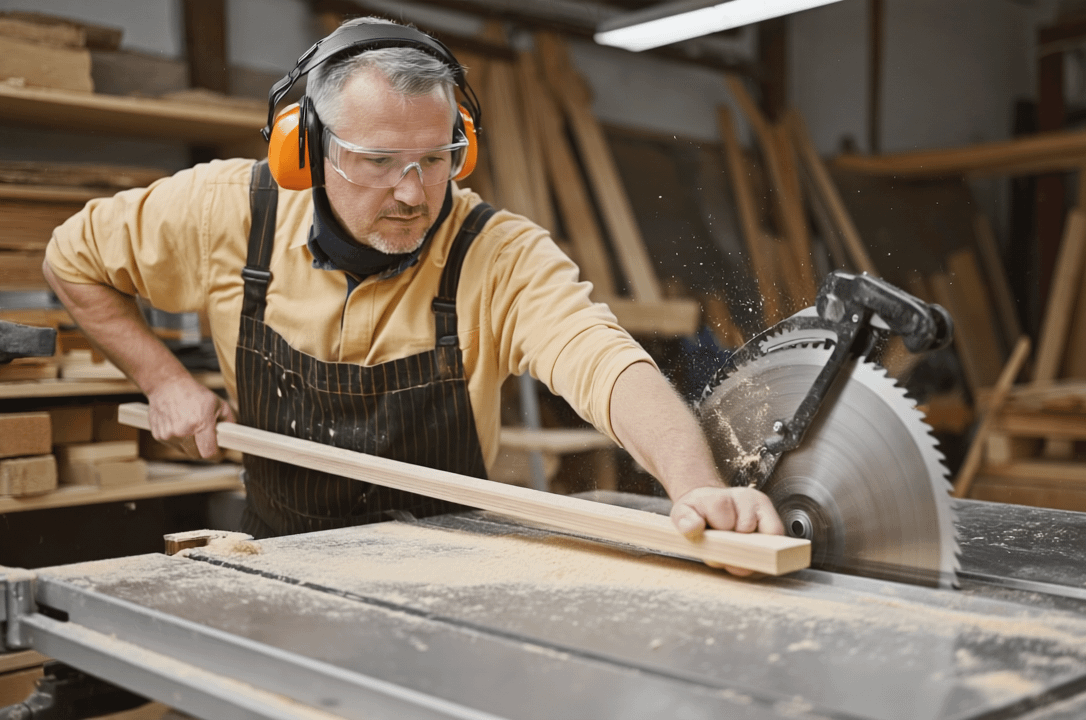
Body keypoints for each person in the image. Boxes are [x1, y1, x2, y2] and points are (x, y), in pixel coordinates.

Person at [44, 17, 783, 570]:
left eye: (437, 159)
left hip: (447, 572)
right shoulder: (225, 212)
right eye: (379, 162)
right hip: (276, 561)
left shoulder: (495, 252)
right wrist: (164, 379)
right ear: (305, 148)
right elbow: (70, 261)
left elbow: (607, 364)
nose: (413, 192)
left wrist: (696, 489)